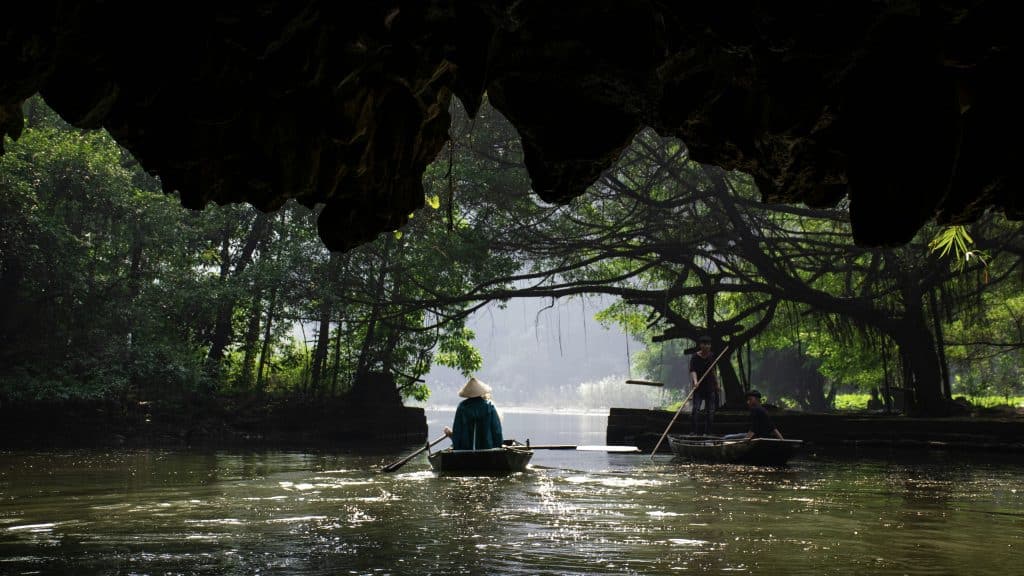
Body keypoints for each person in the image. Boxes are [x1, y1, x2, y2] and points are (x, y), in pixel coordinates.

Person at [442, 377, 503, 450]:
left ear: (468, 394)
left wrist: (457, 448)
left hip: (465, 450)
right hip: (487, 449)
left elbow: (457, 432)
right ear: (481, 392)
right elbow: (497, 431)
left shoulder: (462, 407)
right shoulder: (489, 406)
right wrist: (498, 446)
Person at [689, 335, 720, 435]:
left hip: (710, 388)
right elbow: (693, 371)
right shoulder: (695, 357)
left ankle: (708, 432)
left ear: (710, 346)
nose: (706, 346)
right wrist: (695, 381)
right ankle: (694, 431)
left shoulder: (712, 356)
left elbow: (713, 371)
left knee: (710, 411)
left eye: (708, 344)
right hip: (698, 388)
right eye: (704, 344)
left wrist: (717, 383)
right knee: (695, 410)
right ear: (700, 345)